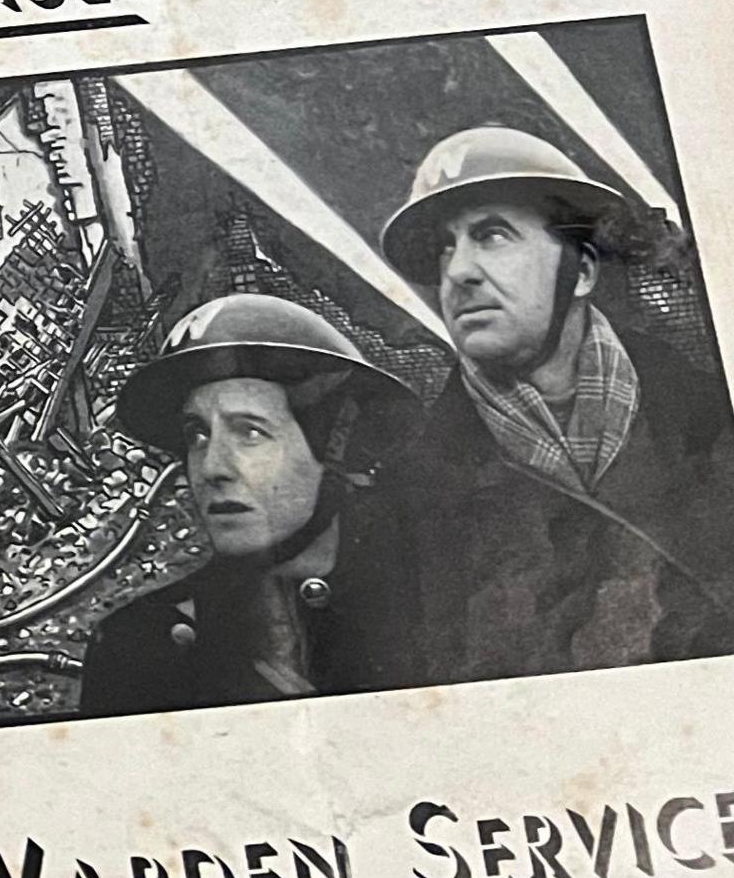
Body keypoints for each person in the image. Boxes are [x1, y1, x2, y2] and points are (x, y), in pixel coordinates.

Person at [370, 127, 734, 675]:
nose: (458, 271)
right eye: (446, 247)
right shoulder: (407, 498)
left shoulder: (711, 421)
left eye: (491, 235)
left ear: (582, 270)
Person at [77, 294, 420, 714]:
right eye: (196, 435)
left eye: (250, 432)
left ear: (335, 447)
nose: (212, 467)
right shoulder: (141, 648)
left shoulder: (437, 606)